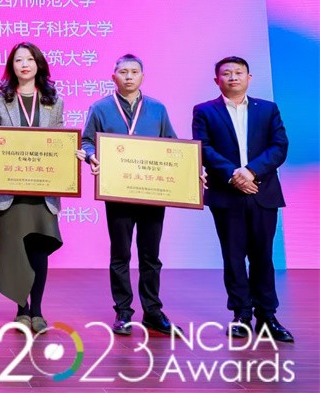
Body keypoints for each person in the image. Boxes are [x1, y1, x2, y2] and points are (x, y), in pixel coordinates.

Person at [192, 56, 293, 342]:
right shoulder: (204, 111)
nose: (233, 77)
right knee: (234, 256)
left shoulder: (268, 109)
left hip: (263, 192)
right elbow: (203, 148)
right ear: (217, 80)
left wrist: (251, 172)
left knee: (263, 255)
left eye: (239, 72)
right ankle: (241, 315)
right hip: (226, 194)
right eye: (227, 73)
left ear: (249, 78)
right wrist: (233, 175)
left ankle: (267, 315)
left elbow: (279, 146)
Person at [78, 54, 177, 336]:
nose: (129, 76)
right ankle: (123, 312)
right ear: (114, 77)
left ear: (142, 76)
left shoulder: (157, 108)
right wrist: (92, 156)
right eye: (123, 72)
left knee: (150, 255)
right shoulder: (100, 107)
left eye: (134, 72)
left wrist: (189, 171)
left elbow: (172, 144)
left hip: (152, 192)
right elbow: (87, 140)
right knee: (120, 254)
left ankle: (153, 312)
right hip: (117, 192)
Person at [0, 42, 64, 334]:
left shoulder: (54, 100)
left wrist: (71, 153)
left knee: (38, 249)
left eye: (30, 59)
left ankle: (37, 310)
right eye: (19, 60)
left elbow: (61, 140)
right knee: (16, 250)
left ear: (39, 64)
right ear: (12, 66)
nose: (25, 64)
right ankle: (21, 310)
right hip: (10, 191)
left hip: (42, 190)